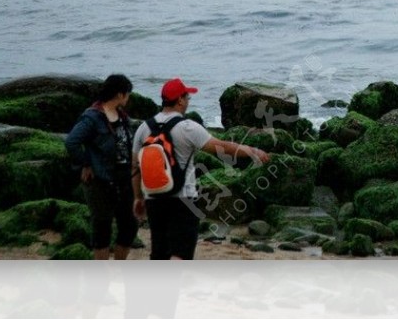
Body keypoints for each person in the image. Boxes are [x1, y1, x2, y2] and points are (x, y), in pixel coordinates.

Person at [131, 78, 271, 260]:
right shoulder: (188, 128)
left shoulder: (144, 128)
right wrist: (252, 151)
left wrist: (137, 198)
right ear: (180, 100)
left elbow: (135, 167)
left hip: (154, 199)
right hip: (183, 199)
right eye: (187, 96)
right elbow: (222, 147)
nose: (188, 100)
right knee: (180, 253)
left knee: (159, 253)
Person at [64, 74, 139, 260]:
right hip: (100, 180)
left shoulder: (122, 117)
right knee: (102, 227)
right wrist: (86, 164)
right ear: (120, 94)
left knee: (129, 225)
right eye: (127, 94)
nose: (128, 99)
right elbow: (72, 142)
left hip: (124, 178)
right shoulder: (92, 117)